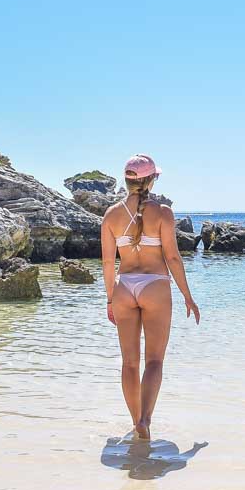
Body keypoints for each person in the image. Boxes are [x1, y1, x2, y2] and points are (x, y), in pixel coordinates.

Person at [101, 154, 200, 442]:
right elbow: (173, 257)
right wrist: (187, 296)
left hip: (124, 287)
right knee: (154, 361)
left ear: (126, 181)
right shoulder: (163, 213)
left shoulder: (111, 215)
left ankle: (136, 421)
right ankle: (146, 419)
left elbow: (107, 264)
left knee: (129, 363)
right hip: (155, 286)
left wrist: (110, 299)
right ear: (152, 180)